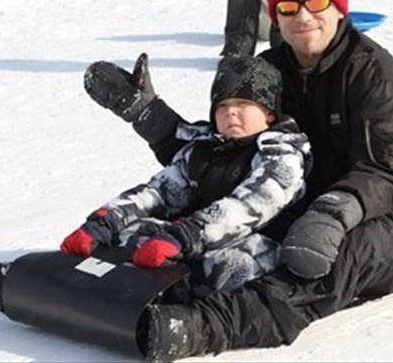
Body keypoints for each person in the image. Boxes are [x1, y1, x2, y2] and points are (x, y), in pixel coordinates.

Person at [87, 0, 393, 361]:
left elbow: (389, 174)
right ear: (274, 12)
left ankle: (205, 326)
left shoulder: (378, 79)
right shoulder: (269, 69)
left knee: (318, 260)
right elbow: (222, 153)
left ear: (340, 6)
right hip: (290, 206)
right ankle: (117, 275)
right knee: (198, 210)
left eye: (316, 1)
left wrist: (331, 213)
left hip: (380, 223)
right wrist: (151, 118)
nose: (303, 16)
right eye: (289, 5)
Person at [61, 54, 312, 295]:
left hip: (267, 243)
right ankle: (108, 279)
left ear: (269, 113)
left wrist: (187, 235)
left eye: (243, 104)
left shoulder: (282, 154)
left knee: (231, 263)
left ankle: (174, 299)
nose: (230, 112)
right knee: (134, 233)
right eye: (222, 106)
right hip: (199, 238)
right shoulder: (203, 148)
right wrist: (106, 223)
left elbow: (249, 206)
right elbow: (160, 191)